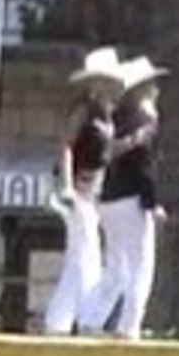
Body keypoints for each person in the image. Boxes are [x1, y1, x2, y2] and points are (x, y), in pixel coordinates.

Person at [79, 56, 168, 340]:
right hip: (131, 198)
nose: (157, 87)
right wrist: (152, 202)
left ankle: (90, 318)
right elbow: (145, 164)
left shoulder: (117, 117)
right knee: (141, 266)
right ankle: (129, 326)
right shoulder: (146, 119)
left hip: (109, 196)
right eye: (152, 83)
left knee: (116, 265)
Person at [44, 47, 122, 335]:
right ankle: (88, 319)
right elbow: (66, 145)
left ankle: (58, 321)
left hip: (92, 191)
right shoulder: (84, 110)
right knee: (85, 252)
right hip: (75, 187)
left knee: (80, 254)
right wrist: (66, 185)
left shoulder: (106, 115)